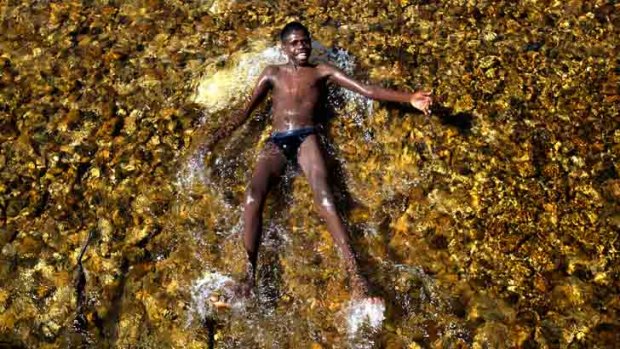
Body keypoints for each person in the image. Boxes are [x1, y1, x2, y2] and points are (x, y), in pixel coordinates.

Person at [202, 21, 432, 303]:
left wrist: (409, 98)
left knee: (325, 199)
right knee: (251, 197)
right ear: (283, 48)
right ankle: (248, 278)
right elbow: (245, 112)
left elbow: (366, 90)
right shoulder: (272, 74)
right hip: (278, 139)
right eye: (295, 43)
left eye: (305, 41)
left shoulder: (322, 72)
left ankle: (358, 280)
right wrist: (212, 142)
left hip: (307, 138)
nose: (301, 47)